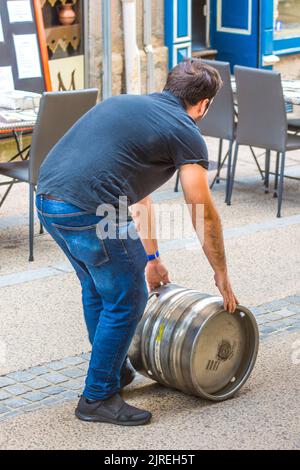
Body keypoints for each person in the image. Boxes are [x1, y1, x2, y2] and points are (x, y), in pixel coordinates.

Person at [36, 59, 238, 427]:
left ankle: (115, 372)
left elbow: (137, 192)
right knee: (128, 299)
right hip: (89, 209)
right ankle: (97, 397)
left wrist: (152, 257)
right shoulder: (185, 131)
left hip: (49, 201)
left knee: (98, 289)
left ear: (169, 86)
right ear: (203, 104)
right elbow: (202, 209)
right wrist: (221, 273)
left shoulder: (127, 104)